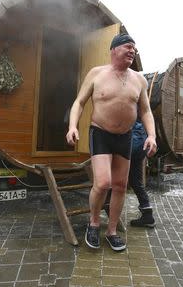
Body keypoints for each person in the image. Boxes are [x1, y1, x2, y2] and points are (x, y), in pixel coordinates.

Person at [66, 33, 157, 251]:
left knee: (120, 186)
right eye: (127, 46)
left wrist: (152, 135)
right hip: (101, 134)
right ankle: (94, 223)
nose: (132, 51)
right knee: (103, 183)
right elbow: (79, 102)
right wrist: (72, 126)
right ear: (113, 49)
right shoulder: (97, 74)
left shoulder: (139, 80)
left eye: (134, 48)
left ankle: (112, 231)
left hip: (124, 137)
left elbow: (145, 111)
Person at [105, 120, 156, 228]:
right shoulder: (142, 105)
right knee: (136, 181)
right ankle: (147, 214)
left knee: (114, 178)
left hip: (129, 143)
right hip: (141, 143)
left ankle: (108, 205)